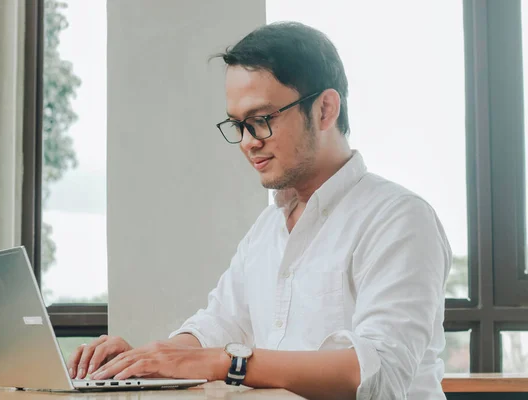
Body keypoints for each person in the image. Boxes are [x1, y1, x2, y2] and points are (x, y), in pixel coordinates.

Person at [67, 21, 451, 400]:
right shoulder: (268, 228)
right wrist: (142, 362)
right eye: (238, 125)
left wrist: (227, 364)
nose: (247, 143)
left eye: (261, 120)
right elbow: (219, 324)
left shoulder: (399, 218)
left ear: (325, 109)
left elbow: (377, 376)